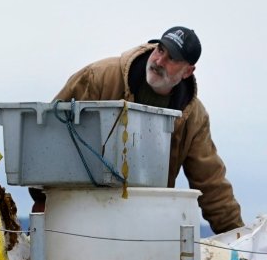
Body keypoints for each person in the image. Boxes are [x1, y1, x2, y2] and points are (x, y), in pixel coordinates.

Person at [42, 27, 242, 233]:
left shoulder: (193, 117)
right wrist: (43, 204)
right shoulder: (98, 77)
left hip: (144, 226)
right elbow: (47, 135)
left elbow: (212, 185)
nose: (159, 61)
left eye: (172, 58)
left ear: (188, 71)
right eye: (161, 50)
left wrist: (239, 239)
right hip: (77, 214)